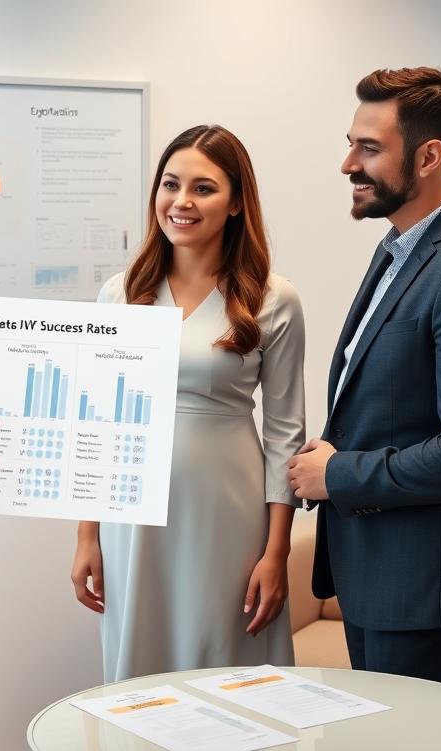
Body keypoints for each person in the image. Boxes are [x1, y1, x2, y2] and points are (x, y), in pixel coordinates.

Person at [287, 67, 441, 689]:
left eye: (369, 148)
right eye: (351, 142)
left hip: (431, 589)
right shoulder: (400, 248)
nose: (348, 163)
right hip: (381, 574)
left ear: (430, 157)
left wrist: (336, 474)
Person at [72, 124, 306, 682]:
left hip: (227, 509)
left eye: (204, 188)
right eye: (170, 184)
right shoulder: (120, 293)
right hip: (132, 513)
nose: (181, 201)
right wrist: (86, 534)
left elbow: (284, 435)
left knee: (228, 663)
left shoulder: (274, 300)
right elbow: (97, 422)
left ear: (234, 203)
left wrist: (278, 554)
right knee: (140, 662)